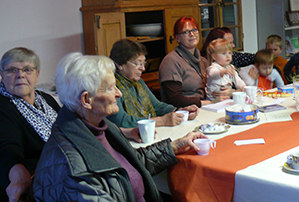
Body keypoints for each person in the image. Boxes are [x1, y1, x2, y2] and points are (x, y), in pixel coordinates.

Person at [33, 52, 207, 202]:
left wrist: (174, 146)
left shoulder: (99, 126)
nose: (119, 93)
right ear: (87, 100)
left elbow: (128, 163)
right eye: (110, 88)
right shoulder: (72, 169)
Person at [0, 47, 60, 202]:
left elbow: (70, 128)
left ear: (37, 74)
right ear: (1, 75)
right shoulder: (3, 106)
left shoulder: (46, 99)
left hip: (60, 172)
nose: (20, 75)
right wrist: (17, 173)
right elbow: (7, 148)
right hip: (32, 182)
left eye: (27, 69)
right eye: (12, 70)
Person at [108, 39, 199, 128]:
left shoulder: (138, 81)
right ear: (119, 64)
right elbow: (122, 121)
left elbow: (156, 106)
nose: (143, 68)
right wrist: (161, 121)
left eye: (144, 63)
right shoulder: (112, 86)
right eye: (137, 64)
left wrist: (179, 111)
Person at [159, 16, 230, 107]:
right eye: (185, 32)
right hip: (184, 112)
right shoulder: (171, 61)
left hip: (208, 107)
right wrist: (210, 103)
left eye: (194, 30)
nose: (192, 34)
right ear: (177, 38)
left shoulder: (203, 61)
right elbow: (174, 99)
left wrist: (230, 91)